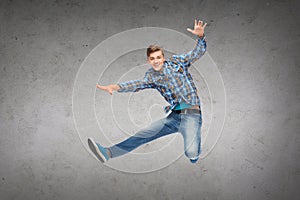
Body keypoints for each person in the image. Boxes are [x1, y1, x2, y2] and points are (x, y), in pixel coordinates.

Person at [88, 19, 207, 164]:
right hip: (174, 117)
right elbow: (137, 84)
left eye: (158, 57)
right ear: (148, 61)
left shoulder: (177, 62)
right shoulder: (151, 76)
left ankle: (194, 155)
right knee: (142, 134)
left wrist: (200, 37)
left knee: (191, 153)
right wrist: (116, 87)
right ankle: (107, 153)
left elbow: (197, 53)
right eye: (152, 59)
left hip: (192, 116)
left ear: (163, 58)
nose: (156, 61)